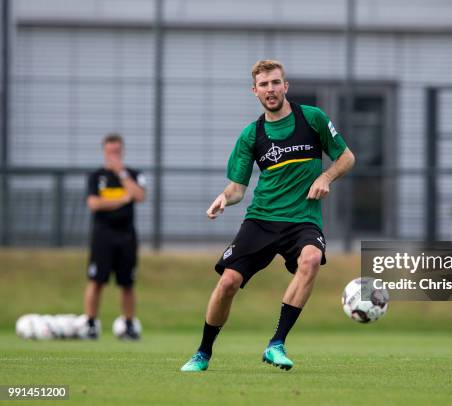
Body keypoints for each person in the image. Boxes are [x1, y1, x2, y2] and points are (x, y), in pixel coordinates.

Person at [180, 60, 355, 372]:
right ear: (255, 91)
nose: (270, 89)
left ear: (285, 86)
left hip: (303, 219)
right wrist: (224, 198)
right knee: (228, 282)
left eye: (275, 83)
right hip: (261, 219)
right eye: (264, 85)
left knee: (311, 260)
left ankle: (276, 344)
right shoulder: (252, 135)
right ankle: (203, 353)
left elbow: (346, 156)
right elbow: (237, 188)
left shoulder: (312, 119)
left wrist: (325, 178)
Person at [84, 133, 147, 340]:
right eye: (110, 151)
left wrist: (122, 175)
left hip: (127, 236)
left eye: (117, 151)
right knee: (96, 280)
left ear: (123, 151)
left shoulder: (132, 174)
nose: (114, 155)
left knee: (127, 283)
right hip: (103, 235)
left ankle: (129, 324)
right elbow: (94, 203)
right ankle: (91, 324)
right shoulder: (96, 176)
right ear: (104, 151)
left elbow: (139, 196)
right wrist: (121, 199)